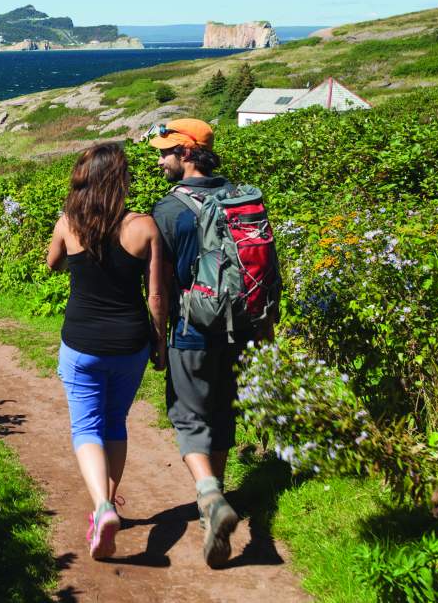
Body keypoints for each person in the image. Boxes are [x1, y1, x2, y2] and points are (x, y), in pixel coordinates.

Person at [147, 118, 270, 568]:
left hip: (191, 329)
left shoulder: (169, 210)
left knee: (188, 415)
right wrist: (265, 325)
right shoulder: (242, 198)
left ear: (188, 153)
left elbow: (158, 287)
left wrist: (158, 338)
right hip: (240, 327)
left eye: (166, 152)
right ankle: (210, 513)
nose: (159, 160)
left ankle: (210, 496)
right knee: (221, 412)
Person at [46, 142, 170, 561]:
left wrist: (75, 261)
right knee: (115, 421)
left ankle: (101, 508)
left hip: (81, 342)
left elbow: (52, 264)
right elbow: (156, 295)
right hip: (130, 342)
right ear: (121, 180)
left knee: (86, 427)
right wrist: (159, 342)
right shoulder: (144, 226)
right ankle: (108, 505)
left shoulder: (68, 223)